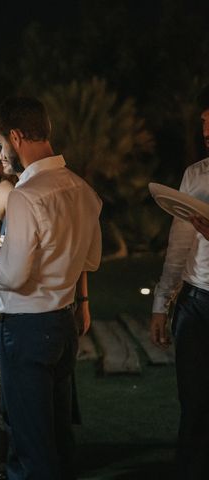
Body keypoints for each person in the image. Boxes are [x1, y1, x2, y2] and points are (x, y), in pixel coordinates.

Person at [0, 96, 102, 480]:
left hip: (25, 330)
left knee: (29, 449)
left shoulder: (25, 195)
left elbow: (15, 276)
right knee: (57, 440)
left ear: (17, 137)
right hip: (63, 325)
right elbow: (91, 260)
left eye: (3, 144)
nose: (3, 153)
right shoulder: (84, 191)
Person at [150, 83, 209, 480]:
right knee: (194, 402)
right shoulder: (195, 174)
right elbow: (178, 245)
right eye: (204, 123)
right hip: (195, 302)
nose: (206, 130)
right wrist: (161, 303)